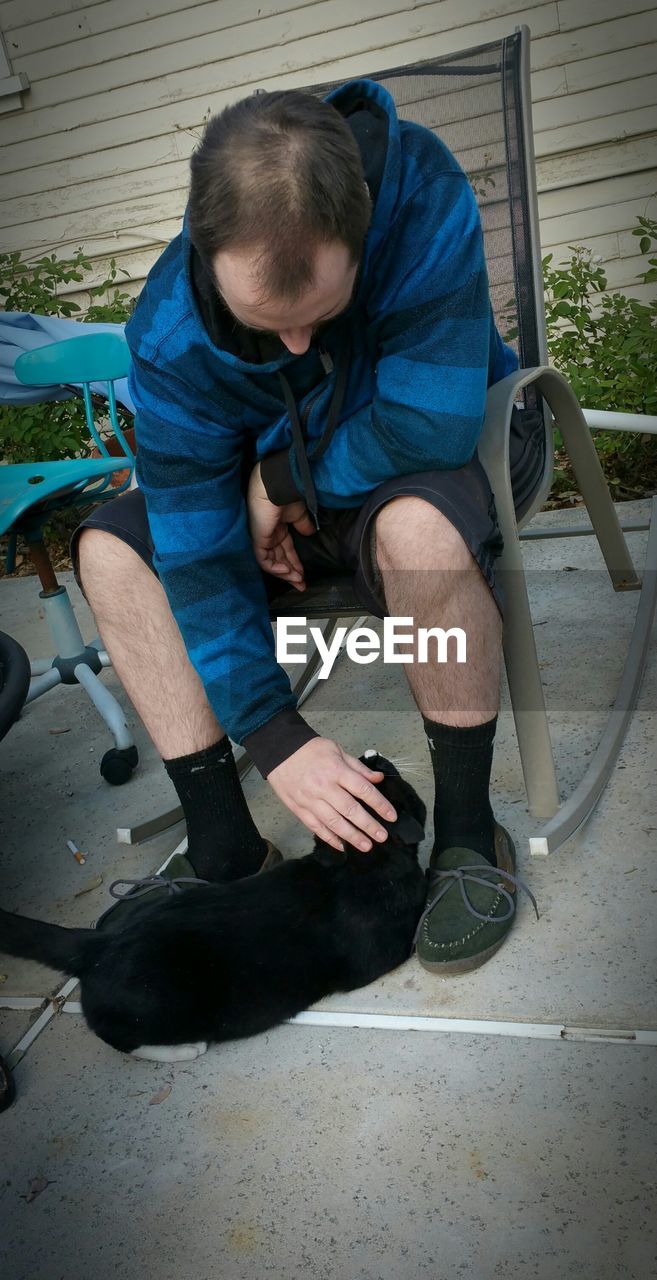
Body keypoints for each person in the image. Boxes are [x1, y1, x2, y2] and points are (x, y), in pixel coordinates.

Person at [74, 80, 542, 973]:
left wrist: (280, 478)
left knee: (417, 535)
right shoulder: (167, 326)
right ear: (205, 252)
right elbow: (195, 546)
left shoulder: (420, 194)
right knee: (113, 550)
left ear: (360, 228)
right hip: (277, 482)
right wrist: (275, 734)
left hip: (423, 450)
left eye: (319, 317)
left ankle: (467, 836)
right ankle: (225, 850)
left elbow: (429, 421)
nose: (294, 348)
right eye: (264, 327)